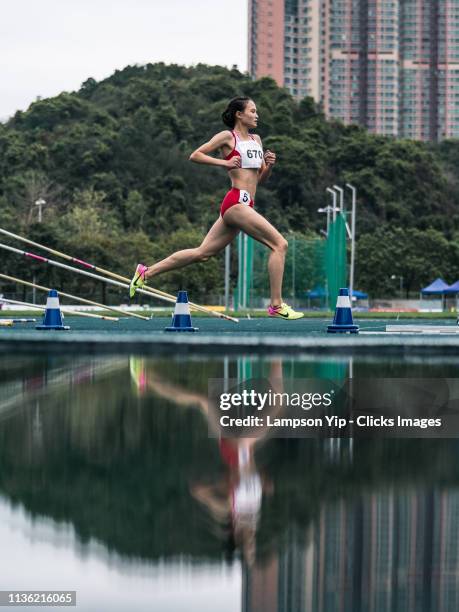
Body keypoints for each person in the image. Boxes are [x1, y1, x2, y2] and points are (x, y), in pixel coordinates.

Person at [129, 96, 303, 319]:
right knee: (280, 244)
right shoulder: (227, 137)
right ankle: (276, 305)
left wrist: (268, 166)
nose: (256, 115)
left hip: (245, 203)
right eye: (252, 111)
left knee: (202, 253)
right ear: (239, 114)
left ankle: (146, 272)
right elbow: (195, 155)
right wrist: (225, 163)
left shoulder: (256, 139)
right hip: (236, 202)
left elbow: (259, 180)